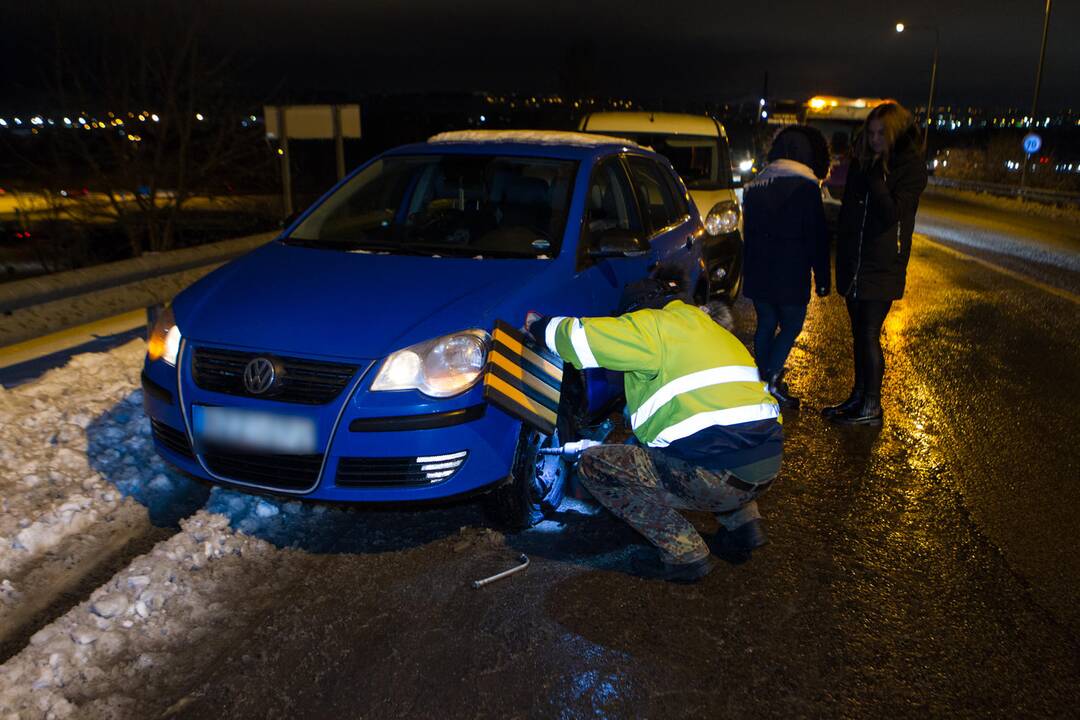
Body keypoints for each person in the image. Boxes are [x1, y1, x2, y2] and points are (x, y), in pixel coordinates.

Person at [528, 272, 783, 583]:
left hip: (719, 476)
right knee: (722, 442)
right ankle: (745, 527)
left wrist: (538, 327)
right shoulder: (710, 331)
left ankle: (684, 554)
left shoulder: (651, 324)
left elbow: (579, 338)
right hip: (765, 466)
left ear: (640, 309)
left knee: (595, 466)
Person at [824, 102, 928, 426]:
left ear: (894, 133)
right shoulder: (864, 163)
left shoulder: (910, 168)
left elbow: (892, 214)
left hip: (883, 264)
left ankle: (872, 406)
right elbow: (849, 214)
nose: (874, 139)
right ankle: (858, 396)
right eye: (870, 133)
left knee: (869, 333)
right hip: (855, 260)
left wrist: (876, 179)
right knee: (858, 334)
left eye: (881, 133)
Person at [742, 125, 831, 408]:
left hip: (759, 272)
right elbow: (816, 237)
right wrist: (823, 277)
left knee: (766, 323)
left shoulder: (755, 186)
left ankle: (761, 378)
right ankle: (771, 380)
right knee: (791, 325)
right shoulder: (807, 189)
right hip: (791, 274)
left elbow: (749, 234)